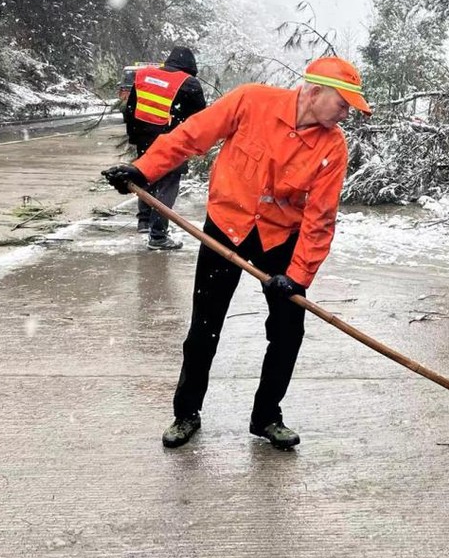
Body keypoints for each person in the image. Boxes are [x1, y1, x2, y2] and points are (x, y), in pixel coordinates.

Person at [102, 56, 372, 450]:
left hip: (282, 238)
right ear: (314, 92)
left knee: (287, 331)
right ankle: (186, 413)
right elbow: (192, 135)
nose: (346, 113)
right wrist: (143, 170)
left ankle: (266, 416)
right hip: (226, 227)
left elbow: (320, 219)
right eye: (343, 103)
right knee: (204, 327)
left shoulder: (333, 146)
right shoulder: (251, 101)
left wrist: (298, 276)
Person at [122, 46, 207, 249]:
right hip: (173, 140)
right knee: (169, 184)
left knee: (146, 177)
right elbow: (202, 120)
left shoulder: (143, 76)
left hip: (144, 137)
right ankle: (158, 236)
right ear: (190, 66)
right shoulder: (189, 83)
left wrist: (135, 137)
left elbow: (131, 110)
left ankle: (144, 221)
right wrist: (198, 147)